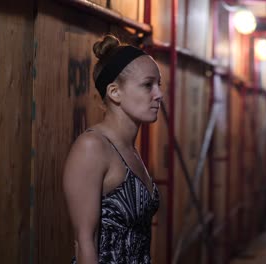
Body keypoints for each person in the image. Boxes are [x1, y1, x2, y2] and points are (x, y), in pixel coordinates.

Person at [63, 34, 162, 264]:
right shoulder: (92, 147)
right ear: (114, 92)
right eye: (148, 85)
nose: (159, 94)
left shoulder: (129, 149)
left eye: (159, 84)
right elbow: (85, 241)